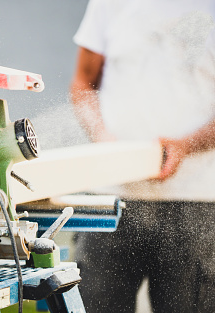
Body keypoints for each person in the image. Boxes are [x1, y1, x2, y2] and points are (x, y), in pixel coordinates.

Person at [70, 0, 215, 312]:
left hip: (196, 203)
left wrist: (186, 145)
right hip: (109, 202)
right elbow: (83, 84)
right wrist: (105, 139)